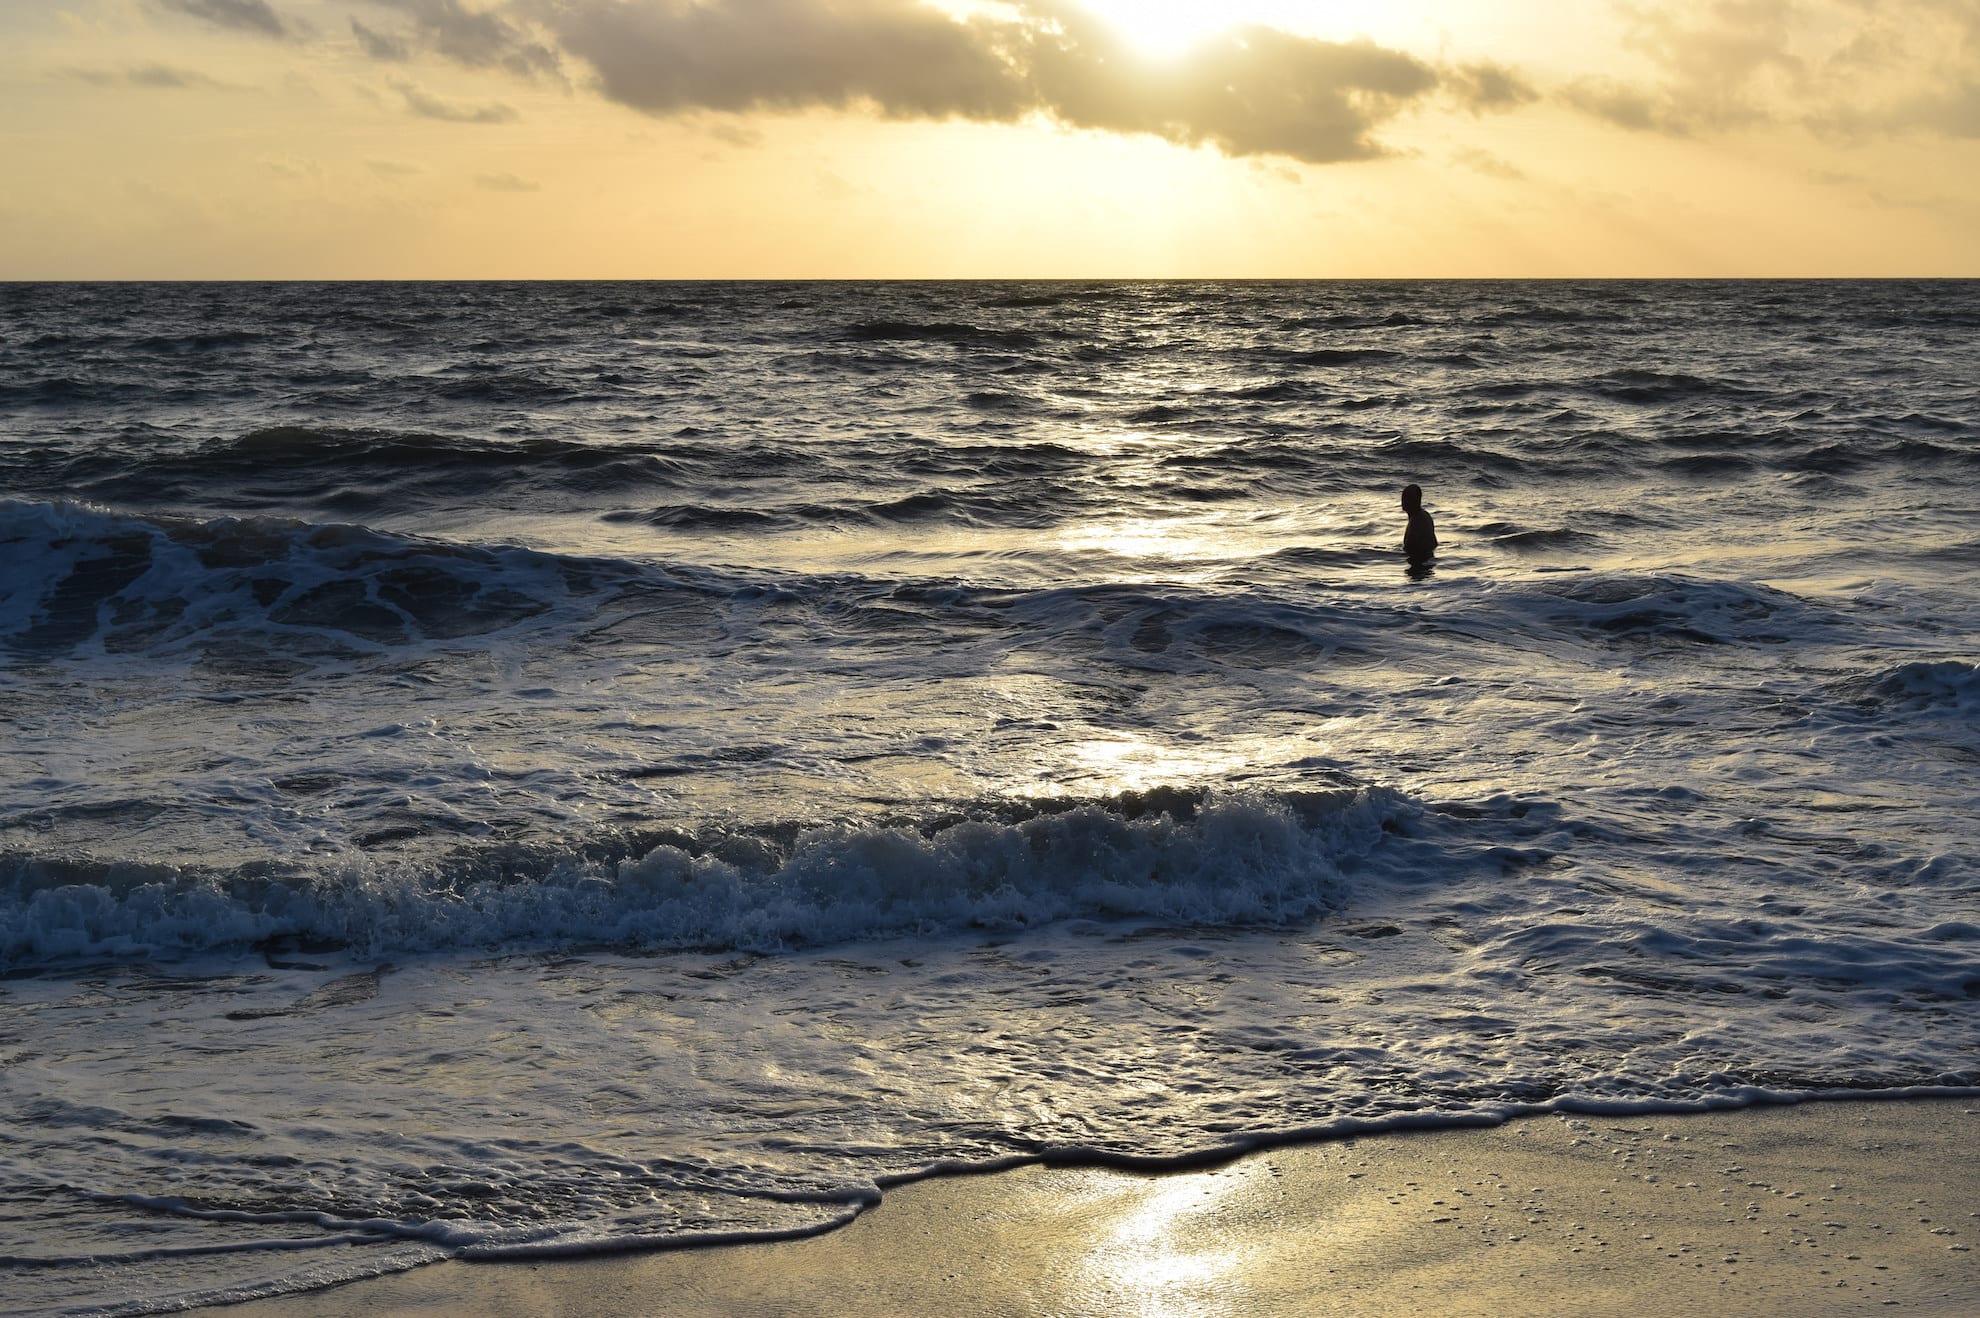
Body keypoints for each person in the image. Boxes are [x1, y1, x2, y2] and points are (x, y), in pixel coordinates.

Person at [1401, 483, 1437, 565]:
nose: (1404, 502)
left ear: (1418, 500)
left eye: (1408, 498)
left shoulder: (1418, 520)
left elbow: (1409, 547)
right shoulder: (1422, 515)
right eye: (1404, 498)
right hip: (1426, 559)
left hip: (1421, 559)